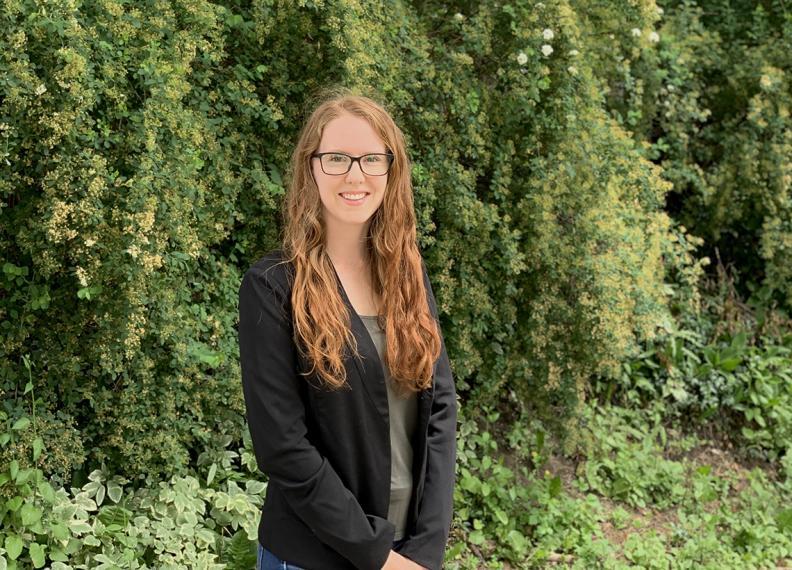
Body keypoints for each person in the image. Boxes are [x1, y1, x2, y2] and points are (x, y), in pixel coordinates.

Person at [238, 89, 458, 570]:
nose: (355, 175)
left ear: (390, 170)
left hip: (411, 550)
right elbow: (283, 449)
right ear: (310, 168)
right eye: (337, 158)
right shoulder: (273, 286)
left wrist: (427, 548)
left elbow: (440, 406)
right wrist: (379, 556)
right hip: (315, 555)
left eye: (371, 159)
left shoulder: (406, 274)